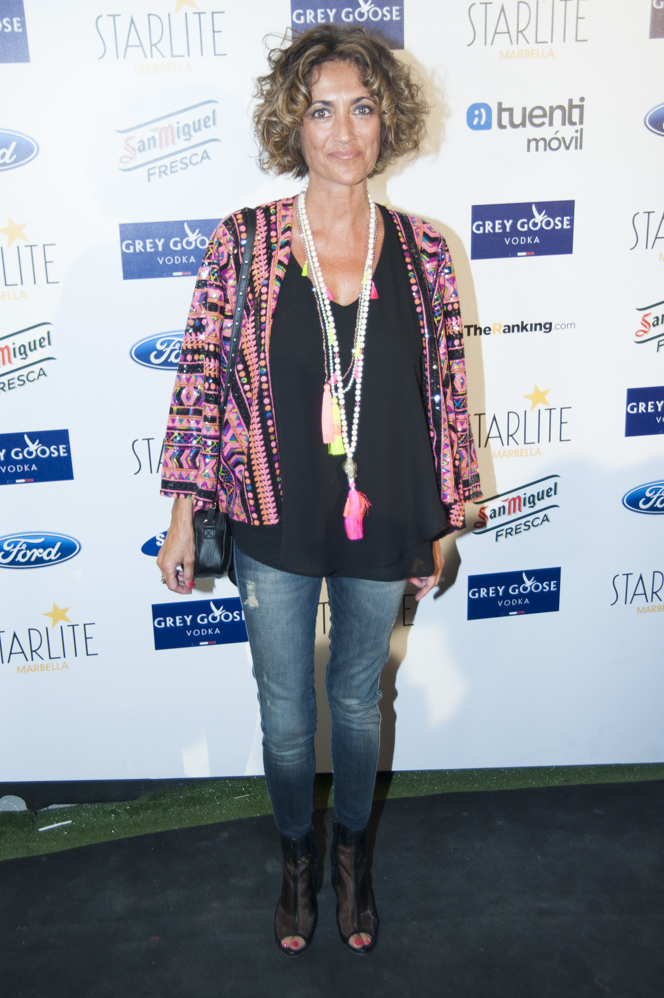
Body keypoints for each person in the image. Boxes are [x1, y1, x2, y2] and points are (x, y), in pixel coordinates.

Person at [157, 23, 481, 956]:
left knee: (358, 704)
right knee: (287, 716)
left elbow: (444, 396)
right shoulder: (246, 241)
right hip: (273, 516)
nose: (344, 132)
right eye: (321, 111)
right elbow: (201, 381)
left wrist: (440, 523)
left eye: (362, 108)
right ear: (292, 126)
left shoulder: (424, 250)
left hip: (387, 519)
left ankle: (352, 861)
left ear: (388, 119)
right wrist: (183, 512)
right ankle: (297, 860)